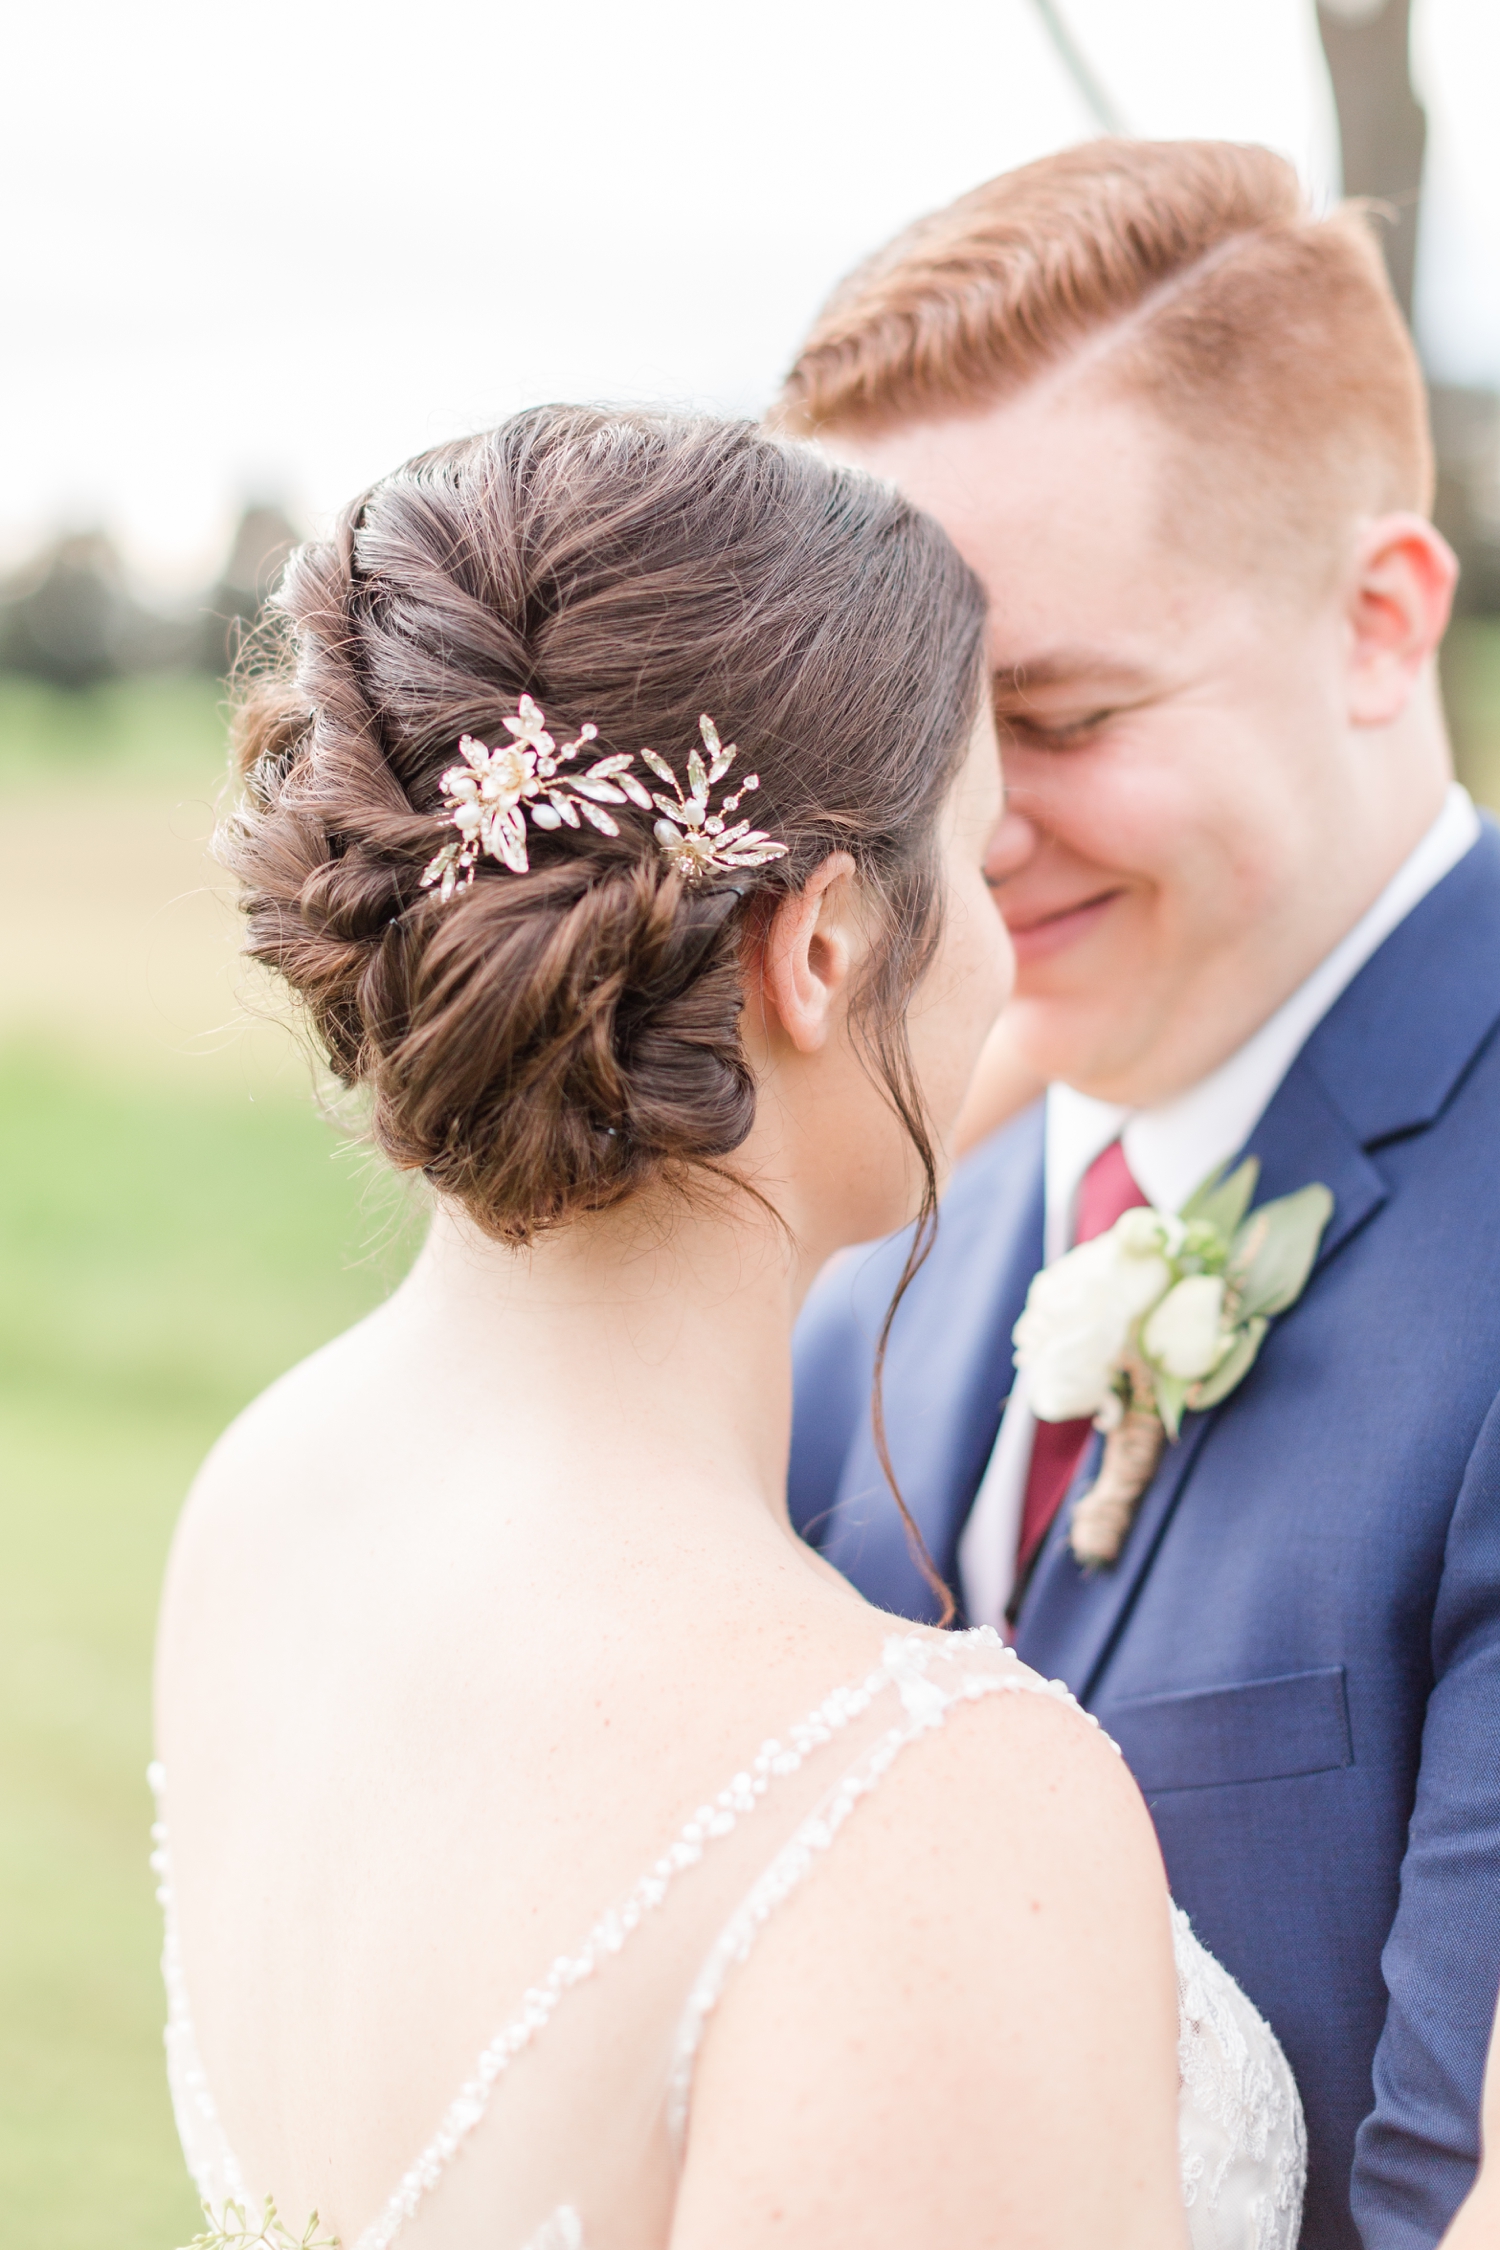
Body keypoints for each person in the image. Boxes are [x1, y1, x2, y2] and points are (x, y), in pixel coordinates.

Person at [151, 406, 1309, 2249]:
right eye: (985, 851)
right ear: (828, 946)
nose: (1013, 944)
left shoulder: (265, 1501)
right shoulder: (931, 1822)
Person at [780, 138, 1500, 2250]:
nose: (951, 838)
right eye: (890, 742)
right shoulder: (873, 1252)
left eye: (1057, 716)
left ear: (1381, 622)